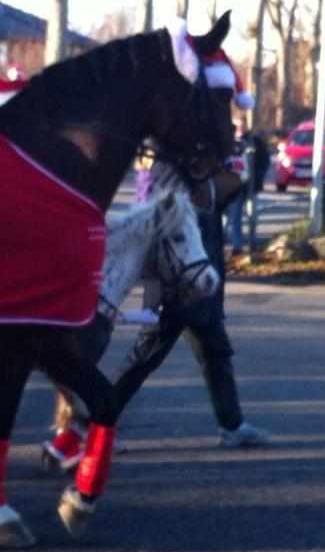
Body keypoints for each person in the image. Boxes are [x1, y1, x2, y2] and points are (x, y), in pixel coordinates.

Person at [110, 160, 269, 448]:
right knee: (144, 359)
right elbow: (162, 234)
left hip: (200, 288)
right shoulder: (169, 173)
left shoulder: (197, 172)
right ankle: (96, 423)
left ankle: (232, 424)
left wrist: (234, 177)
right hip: (177, 290)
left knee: (216, 354)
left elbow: (218, 203)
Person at [226, 119, 271, 254]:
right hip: (235, 187)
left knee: (252, 216)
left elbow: (265, 159)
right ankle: (237, 246)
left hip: (251, 186)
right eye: (237, 124)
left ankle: (252, 242)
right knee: (235, 217)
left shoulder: (255, 141)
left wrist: (259, 176)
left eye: (242, 124)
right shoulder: (228, 140)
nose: (239, 127)